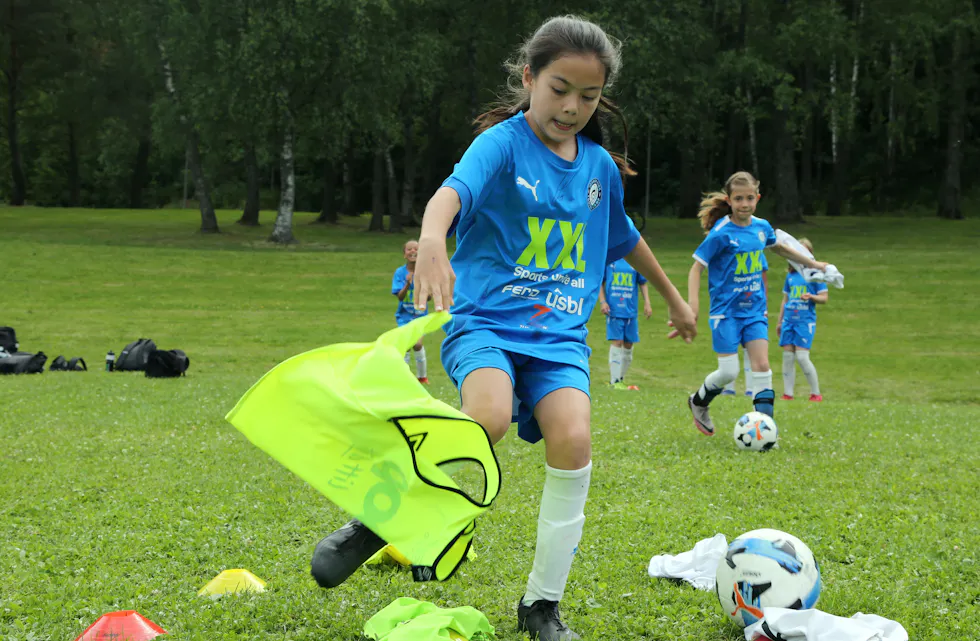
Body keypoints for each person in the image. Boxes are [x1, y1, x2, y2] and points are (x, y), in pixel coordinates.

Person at [310, 15, 697, 641]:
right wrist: (432, 239)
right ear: (529, 77)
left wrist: (675, 299)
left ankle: (541, 606)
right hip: (485, 323)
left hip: (560, 340)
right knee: (485, 418)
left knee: (574, 440)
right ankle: (378, 520)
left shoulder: (598, 169)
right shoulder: (502, 144)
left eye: (588, 96)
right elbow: (450, 194)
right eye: (559, 89)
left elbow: (624, 238)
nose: (571, 108)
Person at [680, 171, 827, 436]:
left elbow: (779, 247)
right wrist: (693, 306)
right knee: (729, 372)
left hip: (755, 311)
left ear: (757, 198)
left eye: (750, 198)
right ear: (729, 200)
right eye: (738, 199)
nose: (744, 204)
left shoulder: (761, 227)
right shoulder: (721, 233)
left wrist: (812, 263)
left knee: (762, 367)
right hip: (725, 313)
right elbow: (696, 268)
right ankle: (698, 402)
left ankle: (764, 431)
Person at [777, 238, 828, 401]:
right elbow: (785, 300)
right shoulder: (790, 275)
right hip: (789, 321)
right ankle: (788, 394)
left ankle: (815, 393)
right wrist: (780, 321)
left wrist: (811, 297)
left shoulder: (815, 275)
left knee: (802, 357)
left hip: (805, 321)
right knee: (787, 357)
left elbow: (824, 298)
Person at [598, 258, 652, 390]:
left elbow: (642, 283)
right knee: (617, 342)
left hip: (631, 311)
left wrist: (647, 302)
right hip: (614, 310)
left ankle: (620, 379)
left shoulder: (634, 260)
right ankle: (614, 380)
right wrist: (603, 302)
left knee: (629, 345)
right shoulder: (610, 260)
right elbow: (600, 283)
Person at [722, 266, 768, 397]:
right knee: (729, 349)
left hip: (752, 311)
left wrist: (764, 307)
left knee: (751, 350)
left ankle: (750, 388)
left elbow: (763, 281)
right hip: (730, 311)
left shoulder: (758, 255)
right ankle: (729, 388)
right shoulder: (728, 255)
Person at [392, 239, 429, 383]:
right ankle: (405, 378)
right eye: (409, 249)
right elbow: (400, 297)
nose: (413, 251)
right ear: (404, 254)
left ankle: (422, 377)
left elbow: (429, 297)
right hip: (404, 316)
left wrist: (421, 284)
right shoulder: (400, 273)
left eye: (416, 249)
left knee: (417, 344)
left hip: (420, 316)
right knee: (406, 346)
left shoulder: (425, 272)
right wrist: (407, 283)